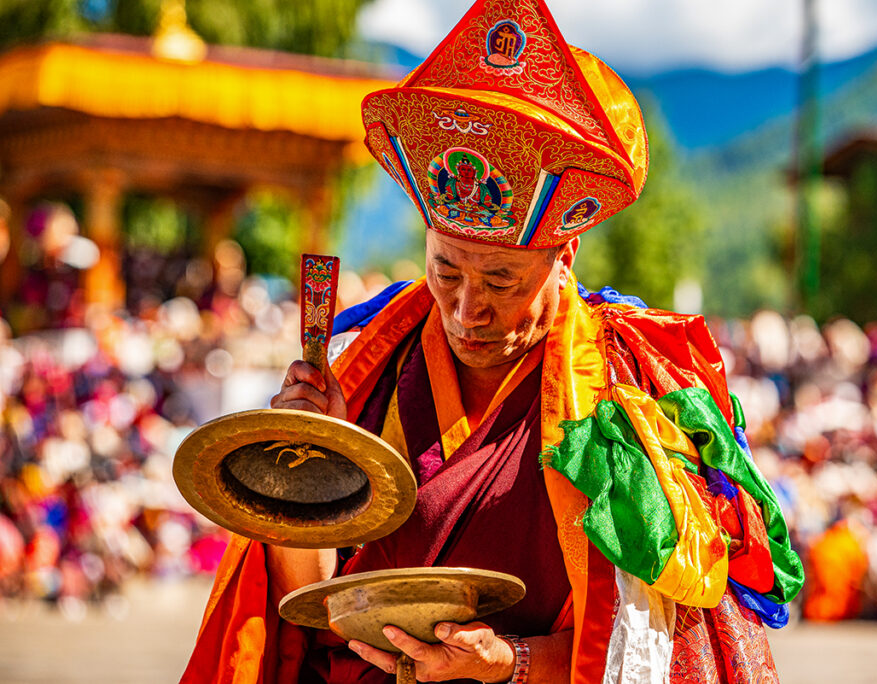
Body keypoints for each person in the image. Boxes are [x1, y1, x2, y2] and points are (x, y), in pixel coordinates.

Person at [181, 0, 803, 682]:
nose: (466, 309)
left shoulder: (626, 391)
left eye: (502, 280)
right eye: (446, 270)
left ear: (563, 258)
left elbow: (645, 646)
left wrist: (509, 662)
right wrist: (310, 467)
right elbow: (315, 607)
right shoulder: (369, 366)